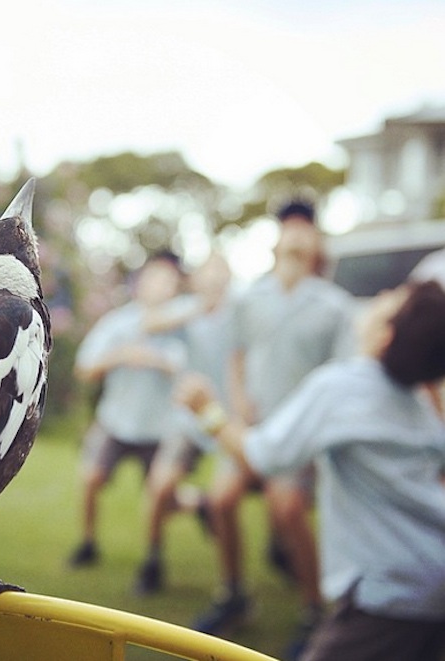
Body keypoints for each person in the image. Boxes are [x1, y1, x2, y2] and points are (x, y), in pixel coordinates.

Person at [177, 280, 445, 661]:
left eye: (390, 301)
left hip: (388, 594)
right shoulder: (420, 401)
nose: (381, 295)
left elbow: (261, 456)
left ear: (385, 335)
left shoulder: (341, 389)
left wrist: (208, 410)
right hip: (436, 580)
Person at [198, 201, 356, 656]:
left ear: (317, 242)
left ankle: (314, 608)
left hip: (298, 436)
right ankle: (233, 595)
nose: (296, 236)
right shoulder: (250, 298)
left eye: (305, 228)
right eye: (288, 228)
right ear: (275, 241)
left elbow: (342, 376)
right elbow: (235, 355)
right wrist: (238, 397)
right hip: (251, 428)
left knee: (285, 504)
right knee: (220, 498)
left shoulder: (334, 305)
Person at [68, 251, 188, 574]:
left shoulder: (184, 326)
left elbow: (189, 369)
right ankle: (88, 543)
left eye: (170, 281)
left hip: (161, 429)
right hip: (116, 422)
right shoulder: (118, 323)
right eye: (156, 278)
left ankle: (153, 559)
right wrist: (121, 355)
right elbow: (85, 368)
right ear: (141, 283)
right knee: (92, 478)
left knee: (159, 496)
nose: (162, 287)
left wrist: (157, 360)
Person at [135, 252, 235, 594]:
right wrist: (197, 308)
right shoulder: (189, 310)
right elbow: (148, 325)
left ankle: (233, 584)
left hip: (229, 418)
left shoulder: (240, 313)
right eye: (209, 271)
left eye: (222, 271)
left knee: (228, 498)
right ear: (197, 280)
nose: (216, 278)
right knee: (160, 485)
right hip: (190, 418)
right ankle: (152, 561)